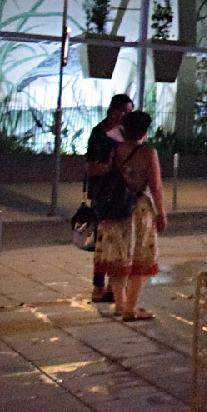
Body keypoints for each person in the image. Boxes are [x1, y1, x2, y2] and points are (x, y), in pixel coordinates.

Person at [93, 110, 166, 321]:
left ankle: (120, 304)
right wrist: (162, 214)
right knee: (140, 260)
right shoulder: (148, 153)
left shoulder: (115, 150)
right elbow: (156, 187)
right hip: (138, 210)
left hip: (115, 208)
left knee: (118, 259)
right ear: (144, 132)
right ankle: (130, 309)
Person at [84, 94, 133, 303]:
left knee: (119, 242)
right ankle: (99, 286)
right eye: (126, 112)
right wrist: (111, 167)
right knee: (103, 240)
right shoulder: (100, 133)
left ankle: (113, 286)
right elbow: (90, 165)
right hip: (104, 193)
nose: (128, 116)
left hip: (122, 193)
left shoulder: (124, 133)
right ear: (115, 111)